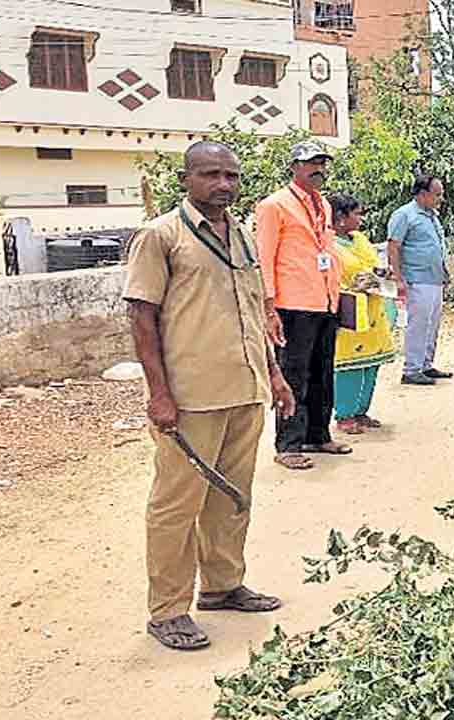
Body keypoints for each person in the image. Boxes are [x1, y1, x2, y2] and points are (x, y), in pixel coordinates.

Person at [123, 141, 294, 651]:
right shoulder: (160, 237)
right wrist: (159, 393)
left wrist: (275, 376)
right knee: (176, 504)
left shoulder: (240, 234)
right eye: (211, 174)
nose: (224, 184)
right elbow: (140, 317)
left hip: (245, 389)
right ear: (186, 180)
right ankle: (168, 609)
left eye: (231, 176)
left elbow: (252, 311)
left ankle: (222, 585)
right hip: (191, 396)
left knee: (232, 495)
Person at [256, 142, 352, 470]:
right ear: (294, 167)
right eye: (311, 163)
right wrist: (269, 307)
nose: (318, 169)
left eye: (322, 163)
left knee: (323, 371)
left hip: (325, 300)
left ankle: (318, 435)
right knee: (294, 373)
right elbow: (264, 258)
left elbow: (327, 249)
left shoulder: (322, 204)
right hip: (292, 303)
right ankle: (288, 445)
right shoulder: (274, 205)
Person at [330, 194, 396, 435]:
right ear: (340, 218)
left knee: (371, 363)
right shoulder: (328, 244)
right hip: (350, 309)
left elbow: (371, 263)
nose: (361, 218)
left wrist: (381, 273)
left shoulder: (359, 239)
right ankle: (344, 414)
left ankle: (361, 410)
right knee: (349, 365)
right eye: (356, 214)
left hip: (374, 307)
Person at [387, 175, 452, 386]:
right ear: (422, 194)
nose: (441, 198)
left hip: (434, 278)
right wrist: (398, 278)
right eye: (437, 194)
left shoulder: (432, 215)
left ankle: (426, 364)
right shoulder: (404, 215)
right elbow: (393, 246)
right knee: (418, 324)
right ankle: (412, 369)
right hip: (416, 278)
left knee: (432, 324)